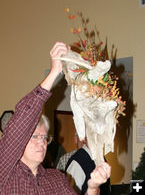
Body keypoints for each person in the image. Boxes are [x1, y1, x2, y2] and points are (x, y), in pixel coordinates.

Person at [0, 42, 111, 195]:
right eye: (34, 136)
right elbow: (21, 122)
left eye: (45, 138)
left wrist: (93, 187)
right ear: (21, 139)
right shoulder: (5, 174)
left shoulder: (56, 179)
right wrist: (54, 73)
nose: (42, 143)